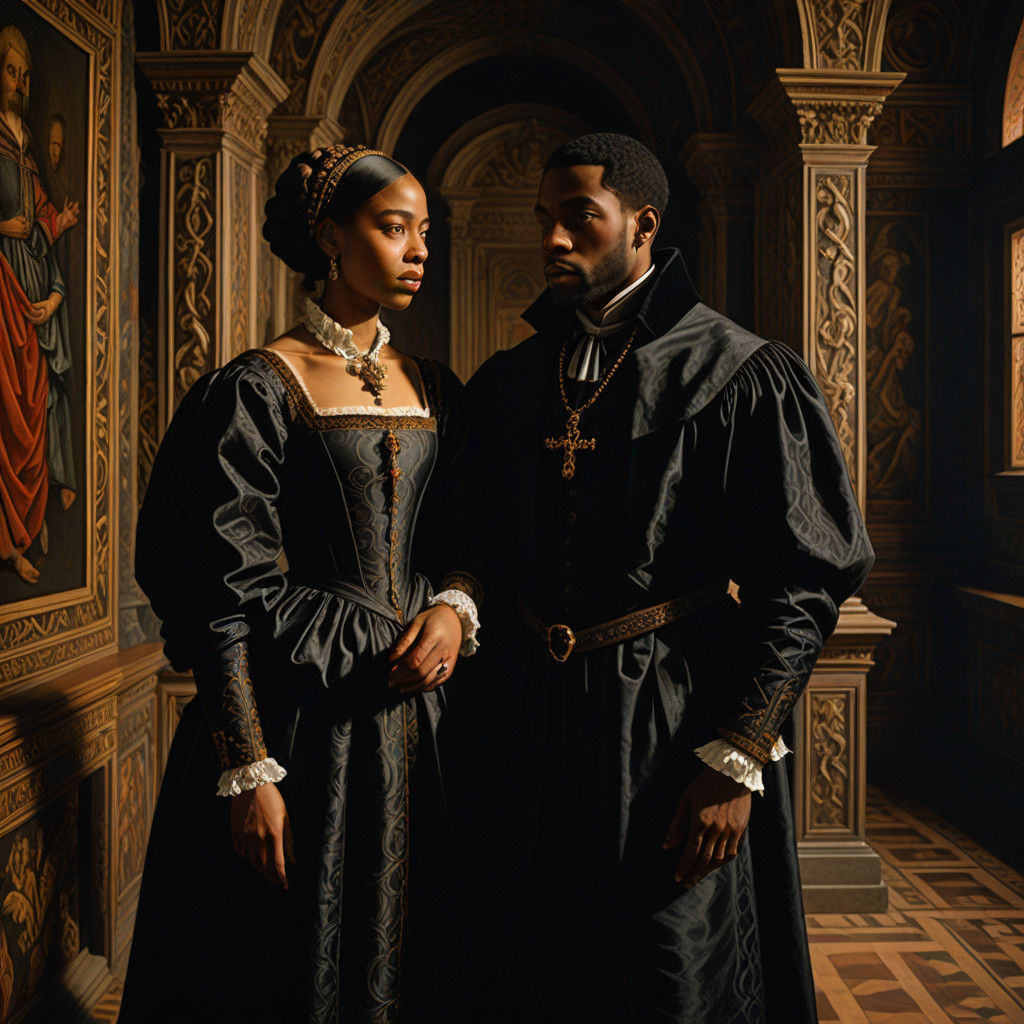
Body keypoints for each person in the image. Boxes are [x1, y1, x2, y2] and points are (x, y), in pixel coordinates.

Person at [459, 133, 874, 1022]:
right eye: (545, 220)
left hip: (668, 721)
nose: (554, 241)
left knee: (664, 974)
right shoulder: (512, 380)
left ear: (642, 225)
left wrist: (738, 758)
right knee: (527, 962)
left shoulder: (740, 372)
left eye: (580, 218)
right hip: (528, 719)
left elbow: (801, 585)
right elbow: (474, 543)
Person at [120, 145, 479, 1024]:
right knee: (284, 946)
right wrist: (246, 766)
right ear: (329, 236)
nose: (418, 249)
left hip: (426, 713)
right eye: (394, 228)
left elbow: (473, 535)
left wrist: (452, 604)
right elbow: (214, 586)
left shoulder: (435, 386)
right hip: (305, 712)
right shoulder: (257, 385)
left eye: (424, 231)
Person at [0, 24, 79, 584]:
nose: (20, 82)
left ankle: (28, 521)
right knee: (6, 413)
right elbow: (16, 221)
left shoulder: (23, 141)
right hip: (1, 285)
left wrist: (53, 294)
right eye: (11, 70)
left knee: (32, 406)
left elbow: (38, 221)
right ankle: (9, 537)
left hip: (30, 286)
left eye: (25, 74)